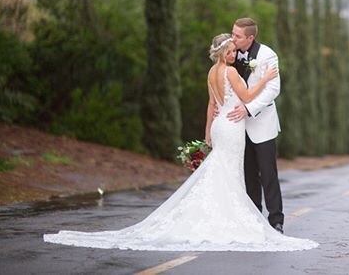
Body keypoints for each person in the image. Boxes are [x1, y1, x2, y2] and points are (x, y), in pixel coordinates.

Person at [43, 33, 318, 252]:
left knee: (220, 171)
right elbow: (246, 97)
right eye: (230, 51)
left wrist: (208, 131)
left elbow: (211, 105)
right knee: (231, 174)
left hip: (221, 125)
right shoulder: (231, 72)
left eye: (235, 50)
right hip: (233, 126)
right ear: (222, 53)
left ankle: (225, 214)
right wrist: (266, 80)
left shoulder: (211, 74)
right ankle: (232, 219)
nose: (234, 55)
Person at [228, 17, 285, 234]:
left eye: (238, 36)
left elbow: (273, 89)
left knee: (268, 174)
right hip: (237, 125)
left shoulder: (267, 55)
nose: (233, 38)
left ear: (250, 38)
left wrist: (249, 109)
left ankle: (276, 221)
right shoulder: (229, 53)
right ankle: (254, 220)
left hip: (262, 123)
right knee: (248, 174)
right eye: (233, 33)